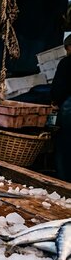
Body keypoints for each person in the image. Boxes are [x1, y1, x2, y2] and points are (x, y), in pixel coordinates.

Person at [51, 34, 71, 181]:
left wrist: (55, 101)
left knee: (65, 146)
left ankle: (63, 181)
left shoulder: (67, 62)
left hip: (69, 110)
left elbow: (59, 88)